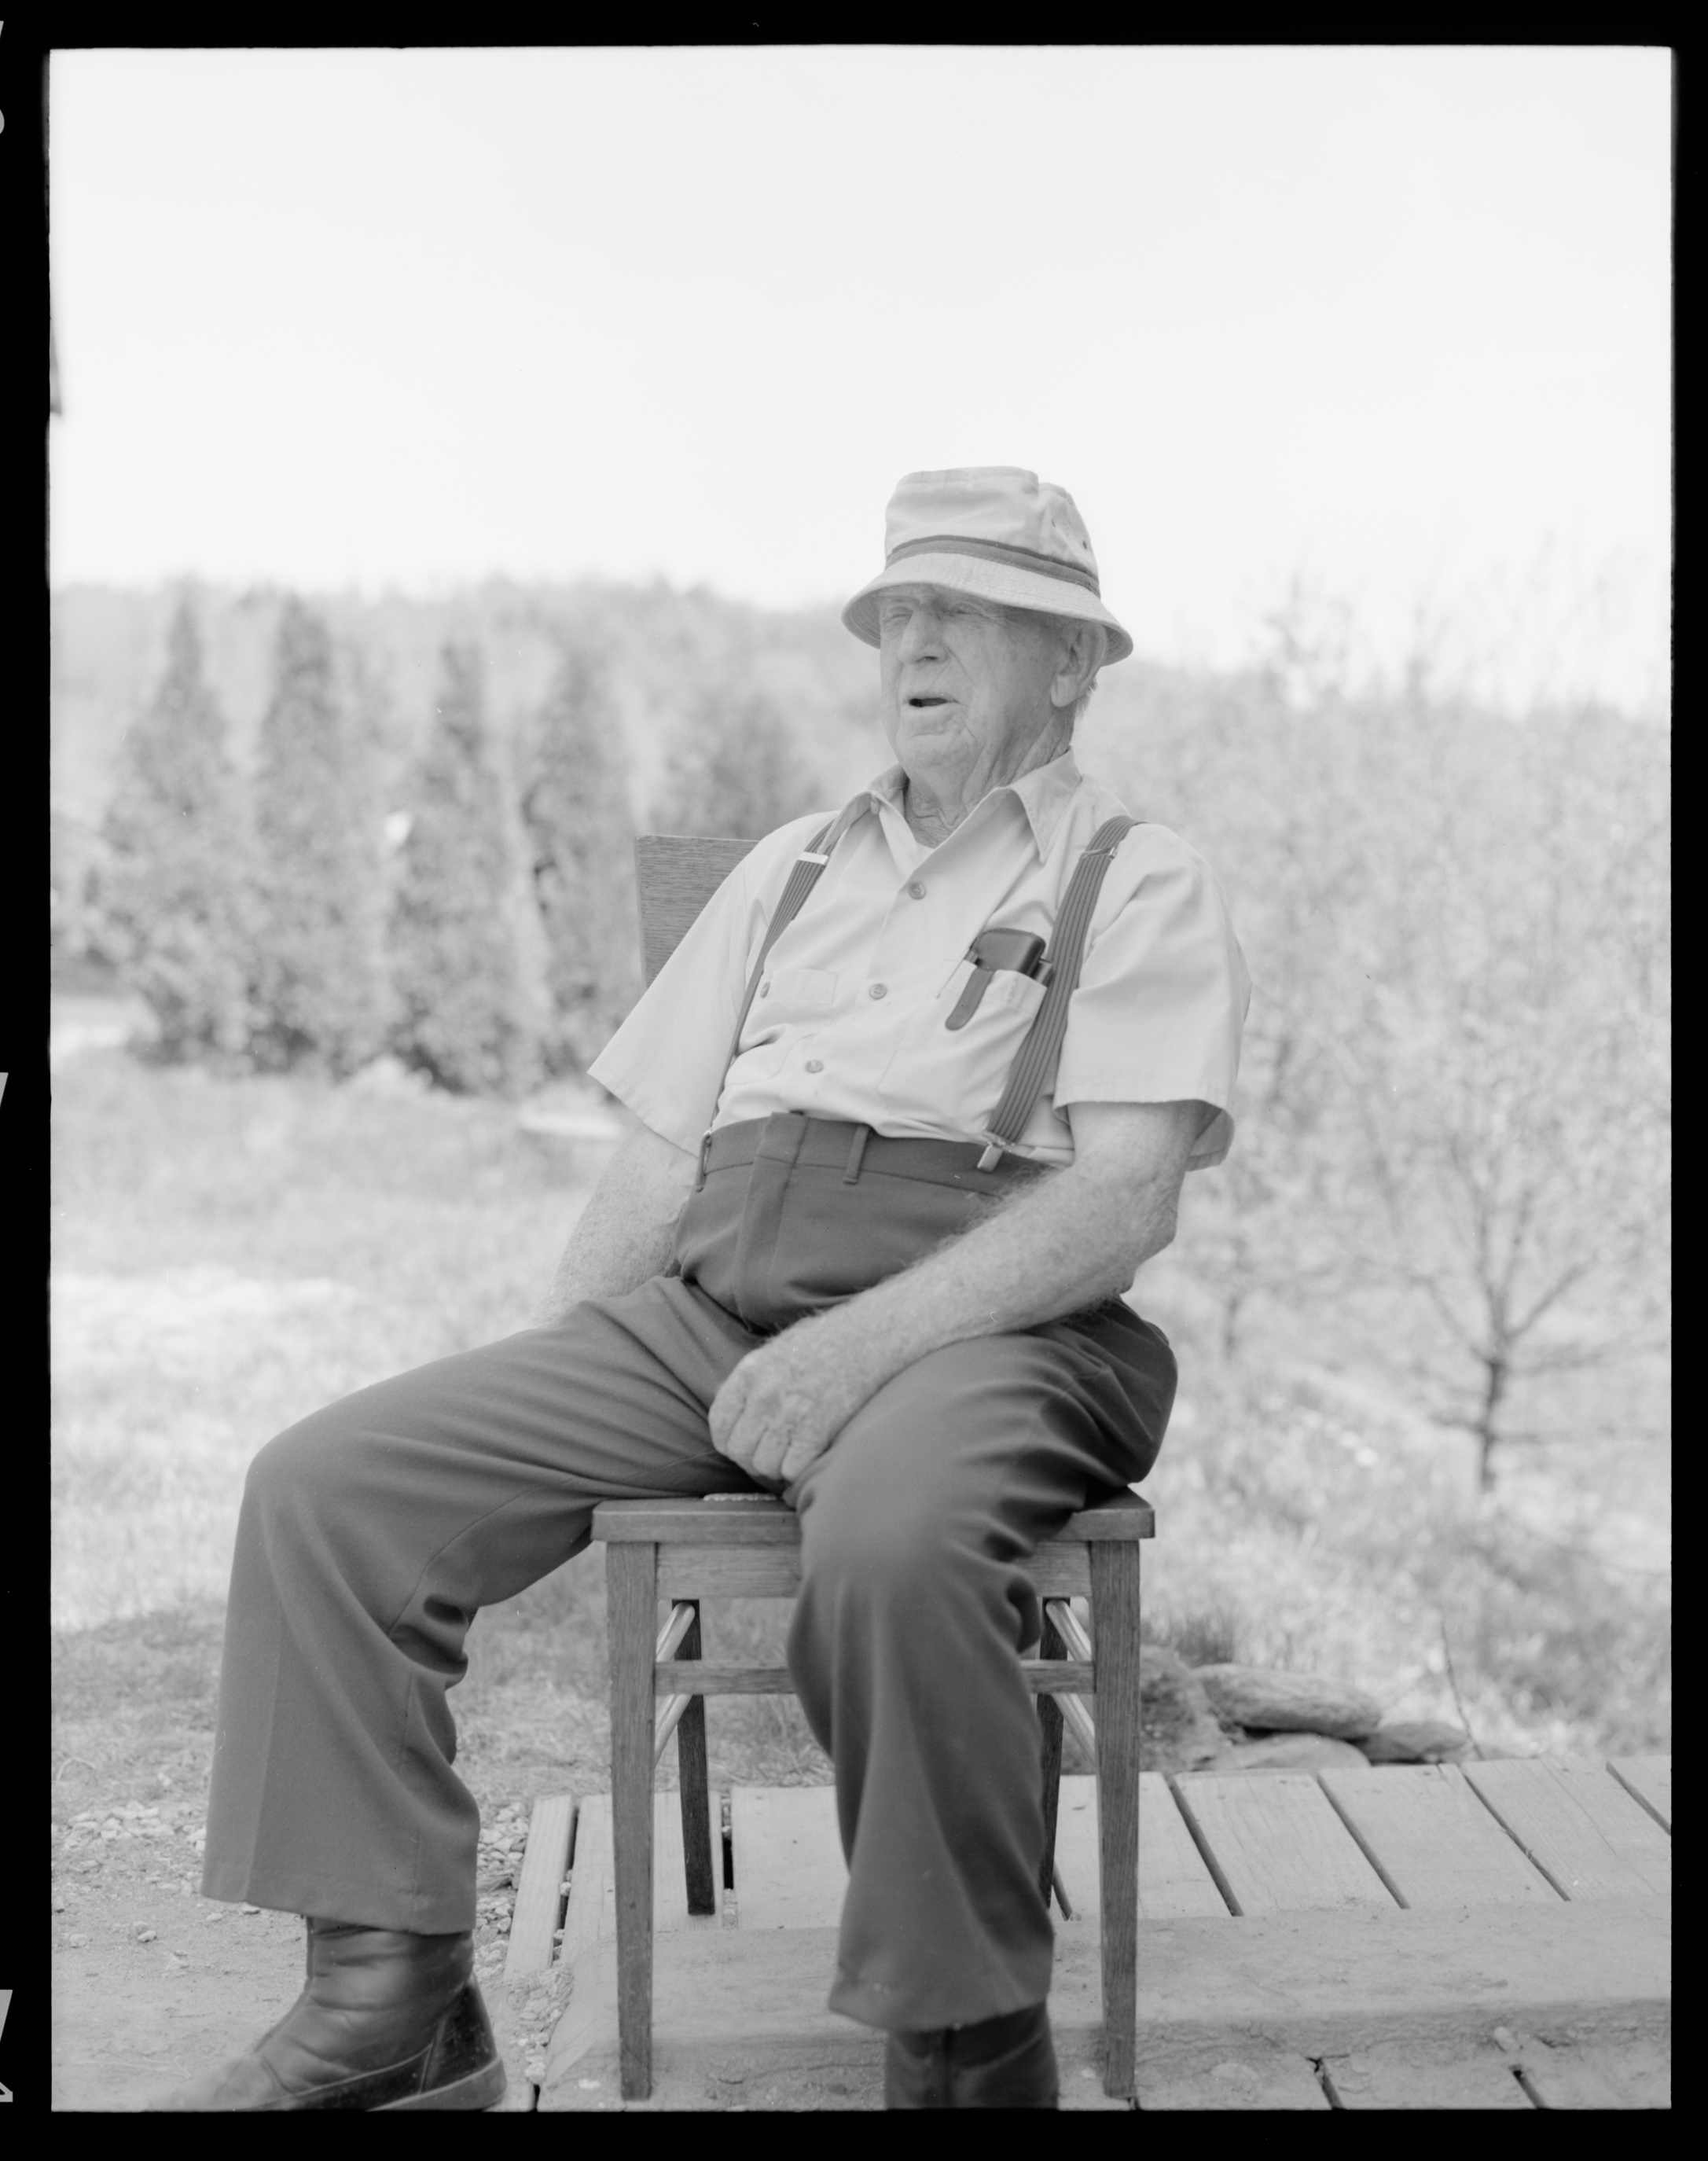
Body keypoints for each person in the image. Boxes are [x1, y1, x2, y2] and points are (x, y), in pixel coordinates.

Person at [152, 466, 1251, 2111]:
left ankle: (970, 2050)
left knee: (890, 1546)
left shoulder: (1129, 875)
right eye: (900, 610)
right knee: (328, 1489)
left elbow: (1120, 1198)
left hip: (994, 1323)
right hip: (714, 1304)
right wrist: (550, 1402)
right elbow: (663, 1161)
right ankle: (395, 2001)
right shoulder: (795, 866)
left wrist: (852, 1354)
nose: (916, 640)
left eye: (965, 612)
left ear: (1071, 660)